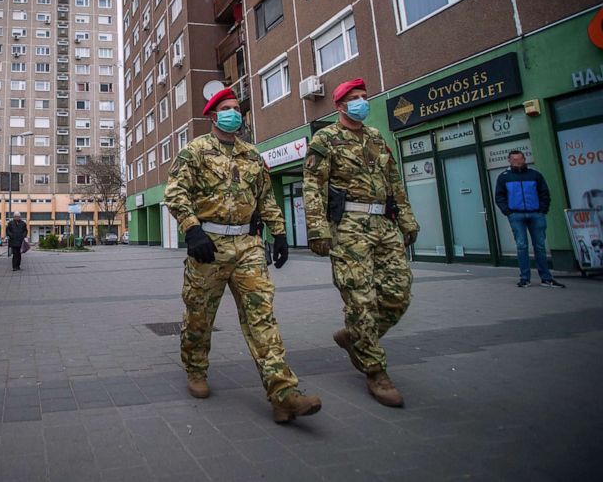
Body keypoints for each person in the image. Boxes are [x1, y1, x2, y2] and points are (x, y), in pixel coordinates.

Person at [163, 87, 321, 424]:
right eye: (227, 108)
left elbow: (265, 197)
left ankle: (284, 395)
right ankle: (195, 368)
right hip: (209, 247)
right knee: (199, 316)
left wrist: (279, 233)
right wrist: (192, 229)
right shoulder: (195, 152)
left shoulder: (252, 155)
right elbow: (175, 192)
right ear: (213, 115)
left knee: (262, 316)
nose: (235, 113)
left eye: (237, 108)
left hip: (248, 247)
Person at [303, 78, 418, 408]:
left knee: (398, 294)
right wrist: (318, 229)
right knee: (361, 300)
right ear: (340, 106)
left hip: (383, 224)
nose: (362, 102)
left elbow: (394, 182)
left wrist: (407, 218)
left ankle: (354, 337)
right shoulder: (326, 139)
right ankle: (375, 370)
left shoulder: (376, 138)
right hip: (349, 227)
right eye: (355, 98)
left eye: (364, 97)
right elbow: (313, 187)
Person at [494, 150, 565, 288]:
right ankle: (525, 278)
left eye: (520, 159)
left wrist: (542, 210)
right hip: (516, 215)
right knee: (522, 246)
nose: (518, 162)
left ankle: (546, 278)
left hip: (536, 214)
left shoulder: (534, 175)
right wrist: (508, 212)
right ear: (509, 161)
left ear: (524, 159)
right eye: (514, 160)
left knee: (540, 246)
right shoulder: (504, 177)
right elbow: (500, 196)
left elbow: (544, 193)